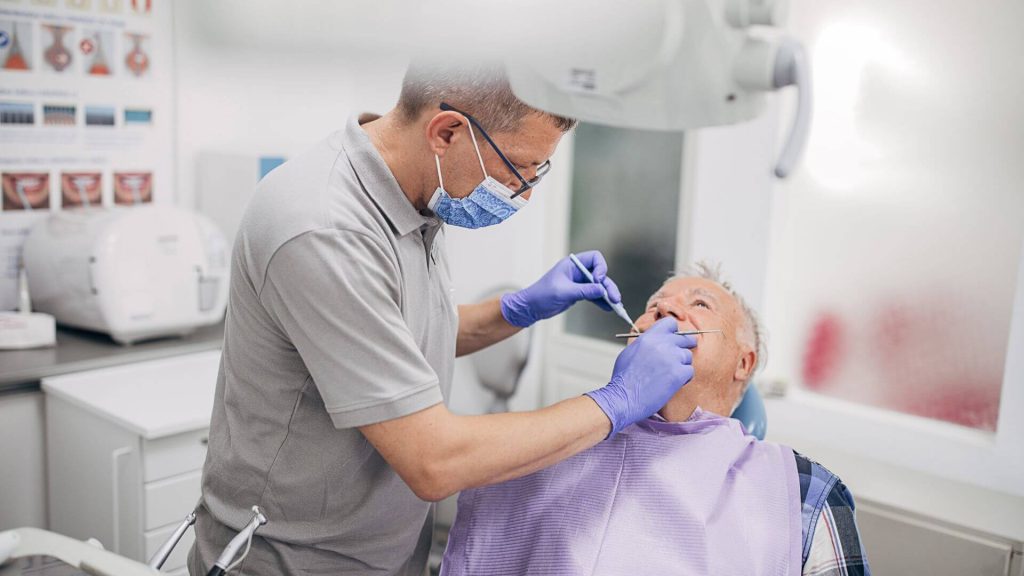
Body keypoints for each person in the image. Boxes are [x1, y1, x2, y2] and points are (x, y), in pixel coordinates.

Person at [189, 62, 699, 575]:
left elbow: (396, 338)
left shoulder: (419, 194)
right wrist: (615, 401)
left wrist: (519, 308)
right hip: (294, 563)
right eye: (519, 168)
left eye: (537, 173)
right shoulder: (325, 229)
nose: (524, 192)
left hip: (383, 556)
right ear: (447, 133)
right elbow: (434, 461)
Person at [441, 263, 871, 576]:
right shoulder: (551, 444)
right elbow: (442, 459)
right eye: (653, 305)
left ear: (744, 362)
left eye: (700, 304)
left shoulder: (802, 491)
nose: (665, 308)